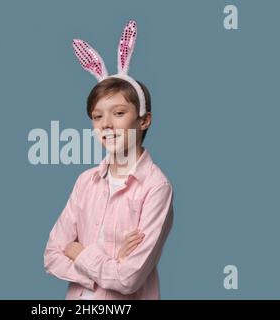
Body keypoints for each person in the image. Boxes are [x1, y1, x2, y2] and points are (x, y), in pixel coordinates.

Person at [43, 20, 174, 300]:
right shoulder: (85, 181)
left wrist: (80, 253)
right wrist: (108, 265)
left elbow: (128, 280)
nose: (106, 125)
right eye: (98, 116)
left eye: (118, 113)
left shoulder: (156, 187)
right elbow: (52, 254)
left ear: (143, 120)